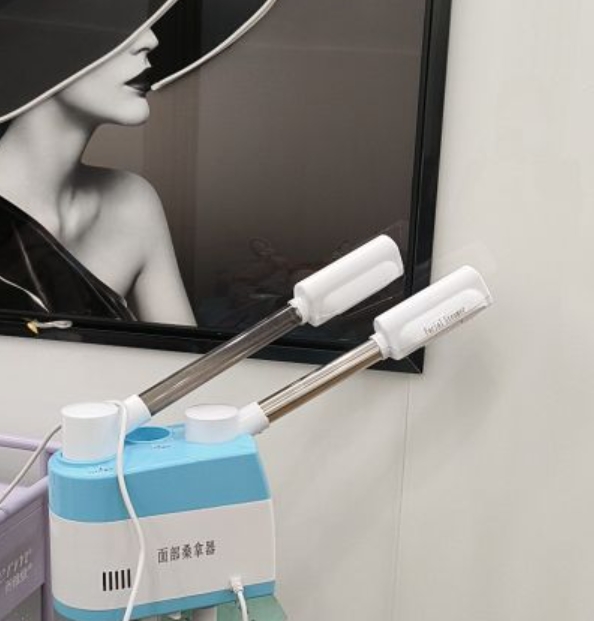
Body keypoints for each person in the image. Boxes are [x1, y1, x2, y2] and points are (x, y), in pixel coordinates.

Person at [0, 26, 196, 324]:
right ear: (38, 44)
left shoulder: (133, 204)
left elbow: (191, 354)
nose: (150, 39)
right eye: (118, 20)